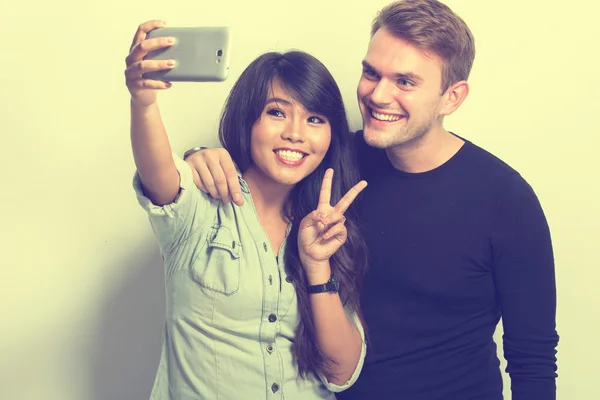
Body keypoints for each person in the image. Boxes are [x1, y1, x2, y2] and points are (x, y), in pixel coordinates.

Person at [182, 0, 560, 399]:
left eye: (405, 82)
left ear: (452, 97)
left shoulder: (505, 198)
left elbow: (532, 357)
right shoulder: (332, 163)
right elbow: (263, 175)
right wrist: (199, 158)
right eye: (370, 73)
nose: (378, 94)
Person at [124, 19, 370, 399]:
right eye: (277, 112)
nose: (295, 133)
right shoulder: (204, 200)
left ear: (330, 137)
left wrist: (318, 265)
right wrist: (143, 103)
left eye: (315, 119)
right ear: (248, 118)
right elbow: (158, 173)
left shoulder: (327, 228)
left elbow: (342, 374)